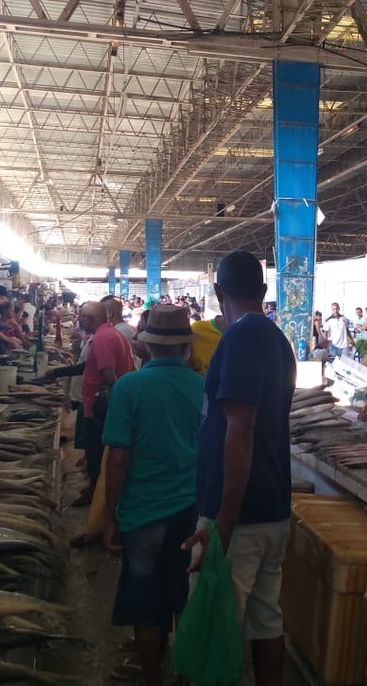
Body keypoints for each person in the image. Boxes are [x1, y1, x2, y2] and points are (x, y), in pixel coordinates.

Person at [183, 250, 296, 686]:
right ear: (264, 292)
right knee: (266, 617)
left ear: (216, 293)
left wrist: (224, 522)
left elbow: (240, 430)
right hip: (271, 505)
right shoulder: (276, 338)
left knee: (218, 619)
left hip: (242, 516)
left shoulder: (240, 338)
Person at [101, 305, 204, 686]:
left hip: (142, 512)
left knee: (145, 602)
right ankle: (183, 671)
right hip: (191, 510)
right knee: (181, 595)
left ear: (147, 345)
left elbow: (117, 459)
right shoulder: (202, 386)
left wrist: (109, 516)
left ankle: (151, 677)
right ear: (184, 347)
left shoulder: (129, 386)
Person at [78, 301, 135, 493]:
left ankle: (97, 494)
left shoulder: (103, 338)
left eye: (81, 317)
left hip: (99, 406)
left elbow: (108, 376)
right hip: (104, 403)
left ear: (91, 319)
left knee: (97, 451)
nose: (79, 320)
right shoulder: (111, 334)